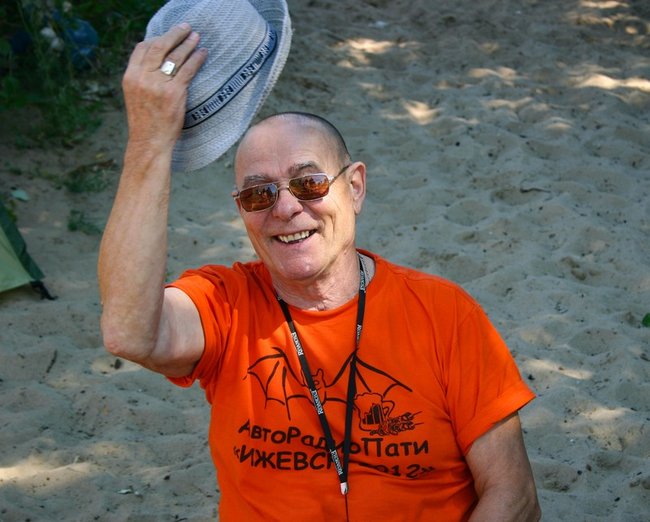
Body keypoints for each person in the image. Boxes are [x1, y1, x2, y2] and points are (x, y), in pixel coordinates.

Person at [98, 1, 541, 520]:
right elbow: (129, 332)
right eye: (259, 194)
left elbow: (514, 497)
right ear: (242, 212)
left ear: (355, 187)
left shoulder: (444, 314)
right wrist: (150, 141)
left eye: (309, 183)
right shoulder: (225, 305)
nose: (286, 208)